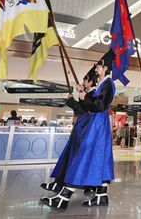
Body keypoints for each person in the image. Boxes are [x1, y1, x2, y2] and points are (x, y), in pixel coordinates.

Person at [40, 50, 116, 210]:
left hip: (98, 124)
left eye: (99, 67)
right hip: (97, 123)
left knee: (84, 156)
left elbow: (100, 106)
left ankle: (63, 197)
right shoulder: (103, 84)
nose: (96, 70)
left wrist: (85, 97)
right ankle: (102, 195)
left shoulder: (109, 84)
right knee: (98, 159)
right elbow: (94, 103)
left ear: (107, 69)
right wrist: (84, 96)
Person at [40, 65, 97, 198]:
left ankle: (74, 184)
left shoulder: (93, 94)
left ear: (91, 82)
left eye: (85, 81)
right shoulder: (88, 94)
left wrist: (72, 101)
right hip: (80, 126)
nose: (83, 83)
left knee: (77, 156)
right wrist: (74, 99)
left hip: (84, 127)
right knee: (69, 154)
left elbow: (84, 111)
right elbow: (80, 109)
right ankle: (59, 182)